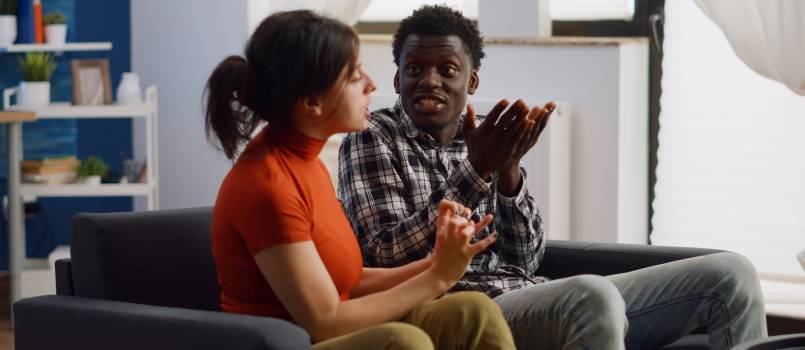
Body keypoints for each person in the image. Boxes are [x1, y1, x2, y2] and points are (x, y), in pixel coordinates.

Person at [338, 5, 767, 349]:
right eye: (414, 69)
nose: (429, 81)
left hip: (530, 295)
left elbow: (525, 259)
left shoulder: (487, 136)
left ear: (471, 80)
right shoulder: (372, 137)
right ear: (398, 76)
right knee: (592, 296)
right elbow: (385, 252)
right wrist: (477, 171)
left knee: (731, 275)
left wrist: (508, 174)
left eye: (447, 70)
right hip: (462, 309)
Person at [204, 9, 515, 350]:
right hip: (291, 342)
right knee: (402, 341)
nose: (372, 83)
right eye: (353, 76)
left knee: (475, 311)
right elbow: (324, 322)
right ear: (312, 103)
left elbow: (350, 280)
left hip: (328, 329)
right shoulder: (268, 185)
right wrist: (437, 277)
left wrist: (438, 262)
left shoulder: (307, 161)